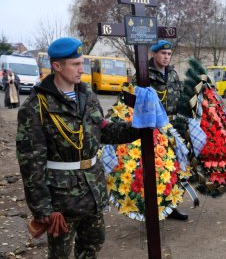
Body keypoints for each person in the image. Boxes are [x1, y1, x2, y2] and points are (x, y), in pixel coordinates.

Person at [16, 37, 141, 258]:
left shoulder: (88, 95)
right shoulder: (37, 106)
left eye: (81, 63)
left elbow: (102, 131)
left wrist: (138, 128)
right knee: (60, 255)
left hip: (92, 191)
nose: (81, 69)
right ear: (57, 66)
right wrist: (42, 208)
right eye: (75, 64)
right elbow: (30, 162)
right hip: (61, 200)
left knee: (92, 246)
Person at [123, 40, 188, 220]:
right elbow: (131, 102)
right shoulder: (144, 75)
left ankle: (172, 205)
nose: (166, 57)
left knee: (176, 167)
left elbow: (180, 98)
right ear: (154, 54)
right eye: (163, 54)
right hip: (154, 128)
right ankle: (154, 207)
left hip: (173, 128)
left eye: (169, 54)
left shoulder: (173, 74)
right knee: (156, 169)